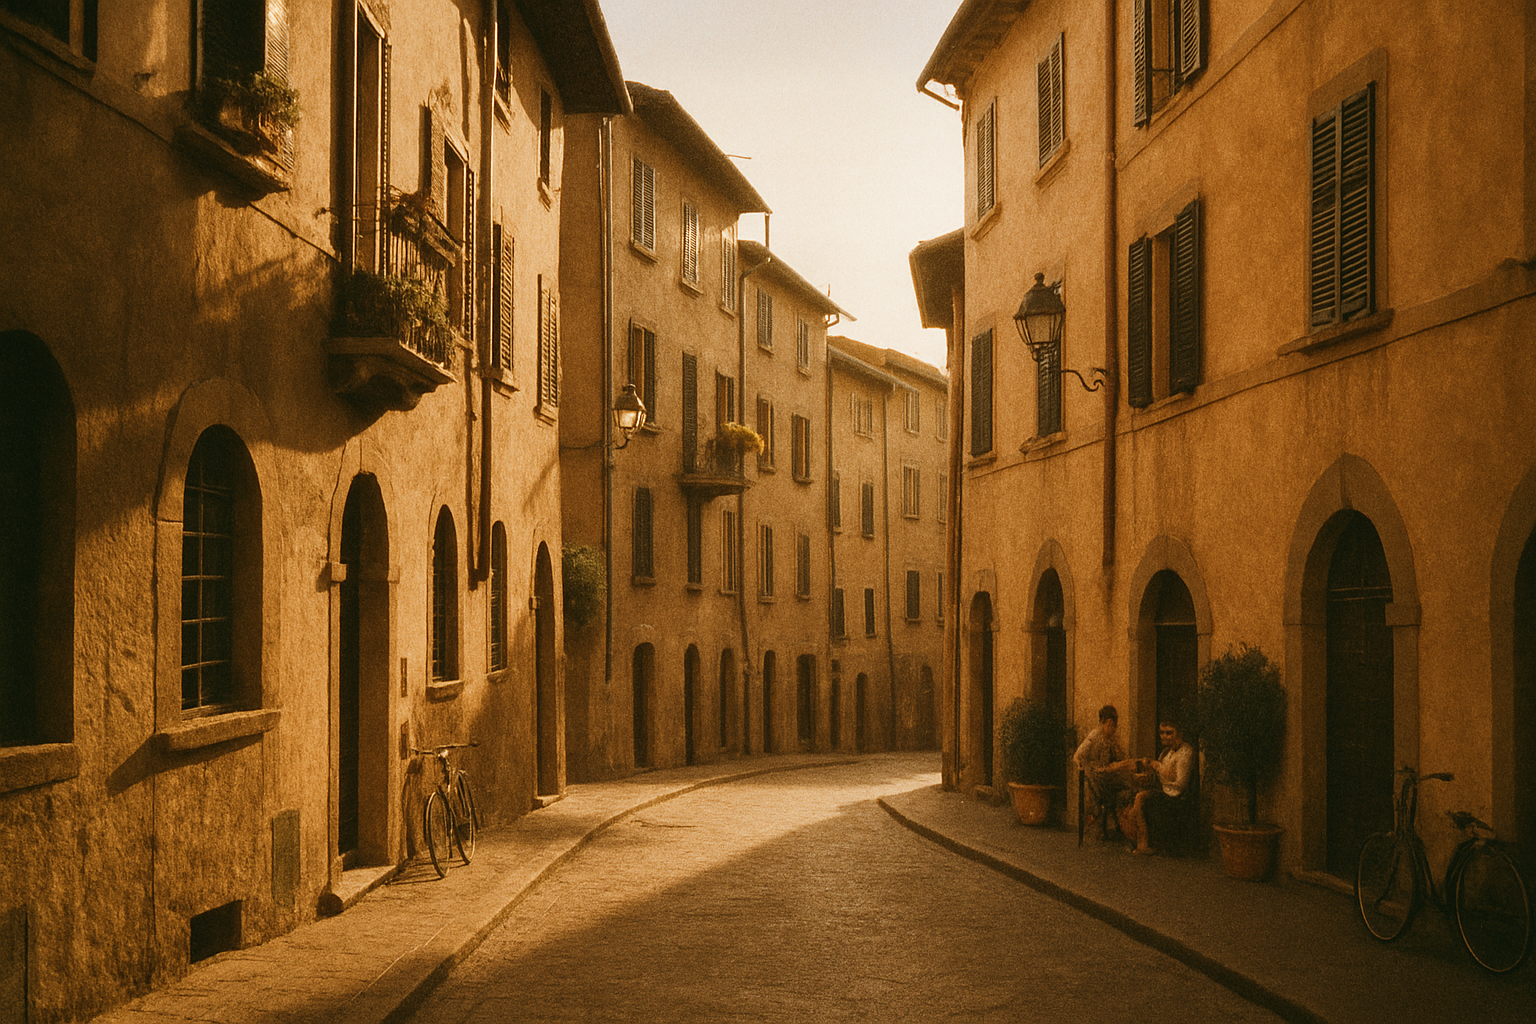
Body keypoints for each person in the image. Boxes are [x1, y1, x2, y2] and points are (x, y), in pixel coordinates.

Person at [1126, 720, 1194, 855]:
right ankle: (1140, 840)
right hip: (1165, 791)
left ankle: (1143, 843)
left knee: (1140, 798)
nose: (1164, 736)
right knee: (1134, 796)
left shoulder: (1185, 752)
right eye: (1162, 733)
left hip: (1176, 796)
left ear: (1179, 734)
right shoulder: (1167, 752)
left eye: (1169, 733)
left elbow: (1180, 782)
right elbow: (1162, 776)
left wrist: (1157, 765)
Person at [1074, 705, 1127, 836]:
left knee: (1125, 787)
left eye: (1114, 725)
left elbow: (1120, 757)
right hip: (1097, 777)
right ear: (1102, 722)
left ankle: (1119, 826)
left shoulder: (1111, 738)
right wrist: (1085, 771)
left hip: (1106, 775)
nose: (1112, 729)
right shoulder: (1095, 736)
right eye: (1109, 725)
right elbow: (1078, 755)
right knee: (1124, 788)